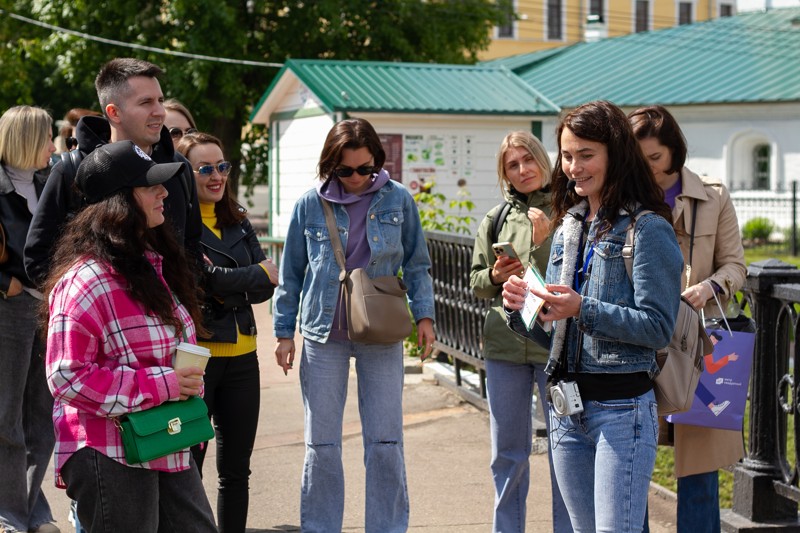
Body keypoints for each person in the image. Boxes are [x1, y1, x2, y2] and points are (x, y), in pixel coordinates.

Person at [502, 100, 683, 532]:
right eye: (567, 155)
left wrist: (584, 308)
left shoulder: (647, 228)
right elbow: (556, 334)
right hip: (566, 408)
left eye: (586, 154)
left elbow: (658, 328)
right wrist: (523, 308)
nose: (573, 166)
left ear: (614, 153)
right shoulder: (569, 225)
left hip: (622, 411)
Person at [43, 140, 217, 533]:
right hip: (108, 449)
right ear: (118, 202)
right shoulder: (85, 282)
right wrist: (165, 384)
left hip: (164, 439)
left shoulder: (150, 265)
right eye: (149, 185)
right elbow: (66, 376)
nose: (164, 193)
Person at [273, 117, 436, 533]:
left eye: (366, 169)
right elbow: (291, 272)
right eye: (345, 170)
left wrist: (426, 316)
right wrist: (283, 332)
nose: (357, 178)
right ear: (331, 165)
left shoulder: (398, 199)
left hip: (381, 331)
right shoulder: (310, 204)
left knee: (385, 442)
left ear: (377, 162)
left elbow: (417, 265)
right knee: (322, 444)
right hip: (322, 333)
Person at [629, 104, 747, 533]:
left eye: (655, 158)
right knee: (630, 464)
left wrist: (709, 288)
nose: (648, 170)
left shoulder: (713, 195)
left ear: (674, 151)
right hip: (638, 342)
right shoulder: (622, 197)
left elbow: (735, 264)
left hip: (701, 347)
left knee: (698, 471)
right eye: (639, 160)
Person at [468, 131, 572, 533]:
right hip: (505, 348)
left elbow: (573, 276)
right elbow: (477, 282)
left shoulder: (570, 211)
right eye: (513, 164)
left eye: (529, 160)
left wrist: (545, 242)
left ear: (544, 162)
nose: (523, 169)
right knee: (508, 454)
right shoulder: (495, 219)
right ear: (505, 173)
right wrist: (494, 274)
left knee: (565, 451)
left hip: (556, 347)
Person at [25, 57, 202, 289]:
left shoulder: (180, 169)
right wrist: (98, 301)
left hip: (170, 319)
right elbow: (38, 259)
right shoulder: (71, 169)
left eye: (160, 100)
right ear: (114, 112)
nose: (160, 111)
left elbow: (192, 249)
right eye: (146, 102)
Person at [176, 132, 277, 533]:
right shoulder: (178, 223)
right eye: (205, 169)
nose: (216, 176)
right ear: (186, 174)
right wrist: (243, 279)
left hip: (243, 359)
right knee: (188, 468)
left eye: (222, 166)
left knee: (236, 471)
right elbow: (203, 281)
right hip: (197, 359)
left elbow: (266, 285)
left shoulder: (237, 218)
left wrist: (229, 282)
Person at [0, 106, 58, 533]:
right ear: (25, 139)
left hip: (48, 307)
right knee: (7, 417)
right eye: (47, 137)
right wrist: (6, 284)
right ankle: (14, 514)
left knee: (43, 415)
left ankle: (28, 511)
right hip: (10, 307)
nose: (54, 146)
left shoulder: (49, 181)